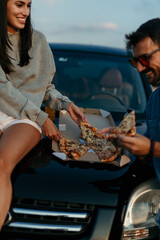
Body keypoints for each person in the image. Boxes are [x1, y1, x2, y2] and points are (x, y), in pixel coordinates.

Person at [0, 0, 87, 230]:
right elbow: (1, 86)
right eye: (19, 5)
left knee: (1, 163)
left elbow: (46, 88)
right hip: (24, 111)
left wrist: (66, 105)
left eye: (29, 6)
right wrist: (43, 117)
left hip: (24, 118)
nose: (25, 12)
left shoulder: (38, 41)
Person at [99, 18, 160, 178]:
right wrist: (125, 139)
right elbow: (150, 158)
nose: (139, 68)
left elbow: (152, 149)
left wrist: (151, 148)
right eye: (135, 61)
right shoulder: (154, 100)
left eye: (144, 59)